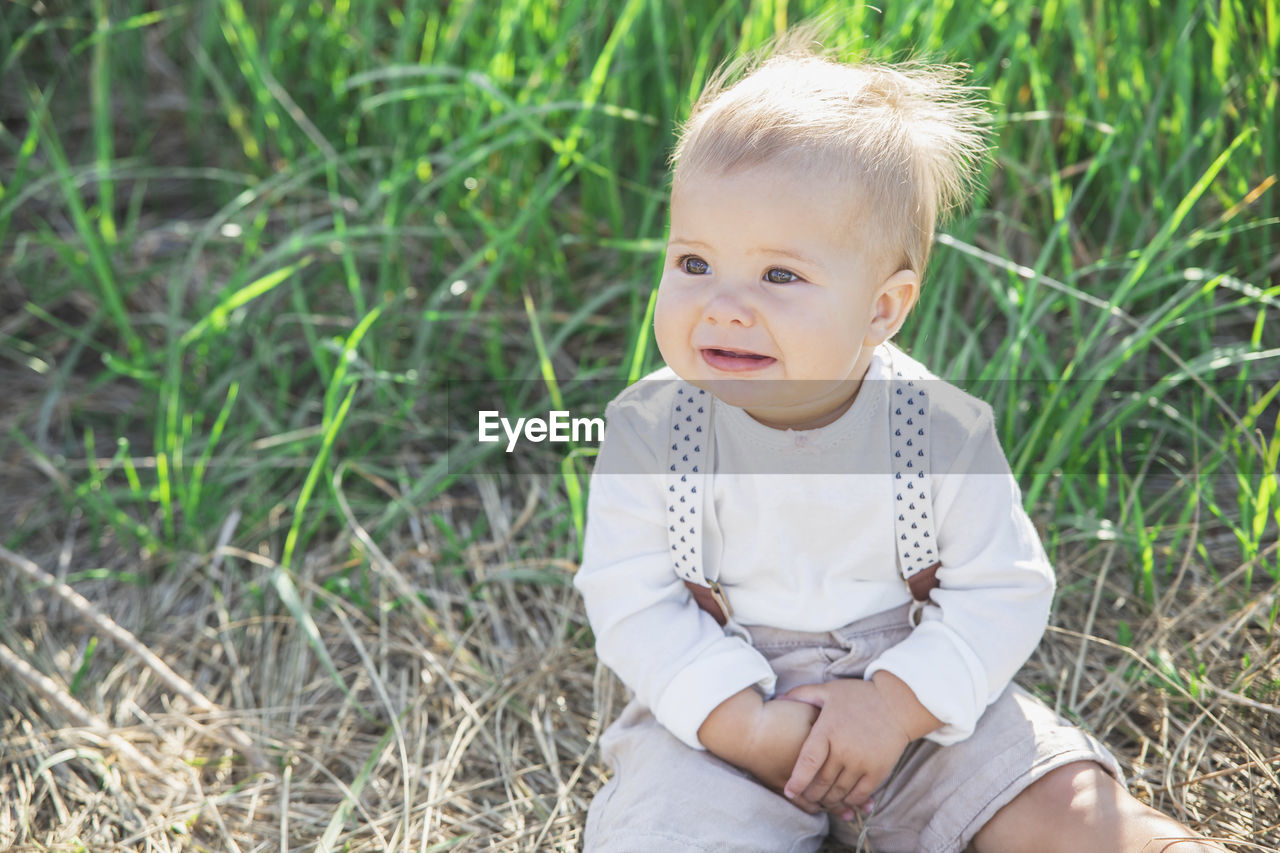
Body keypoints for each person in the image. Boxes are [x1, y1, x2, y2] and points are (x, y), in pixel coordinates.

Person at [574, 31, 1224, 853]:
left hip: (916, 704)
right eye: (694, 261)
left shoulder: (937, 431)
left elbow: (1003, 589)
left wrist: (895, 703)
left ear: (883, 307)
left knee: (1065, 805)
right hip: (725, 714)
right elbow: (632, 597)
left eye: (779, 276)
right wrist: (741, 722)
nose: (723, 304)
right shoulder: (652, 431)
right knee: (665, 828)